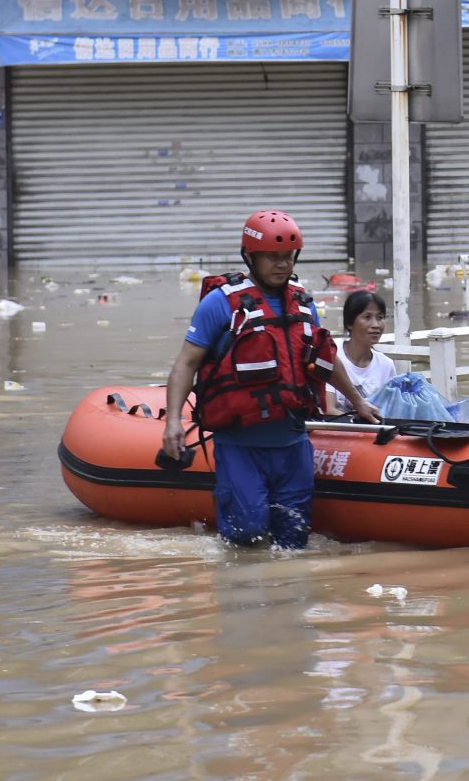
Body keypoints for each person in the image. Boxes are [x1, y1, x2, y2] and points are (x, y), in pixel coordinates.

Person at [161, 210, 378, 550]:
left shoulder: (304, 302)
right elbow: (186, 364)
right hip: (241, 445)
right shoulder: (221, 303)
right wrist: (173, 421)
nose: (282, 264)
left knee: (293, 540)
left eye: (288, 257)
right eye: (273, 257)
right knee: (247, 534)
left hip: (293, 444)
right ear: (251, 257)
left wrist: (358, 400)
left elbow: (324, 356)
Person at [331, 288, 399, 413]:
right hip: (335, 429)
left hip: (374, 429)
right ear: (350, 323)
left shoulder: (386, 365)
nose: (376, 325)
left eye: (380, 317)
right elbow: (328, 409)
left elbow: (389, 412)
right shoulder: (332, 352)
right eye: (367, 317)